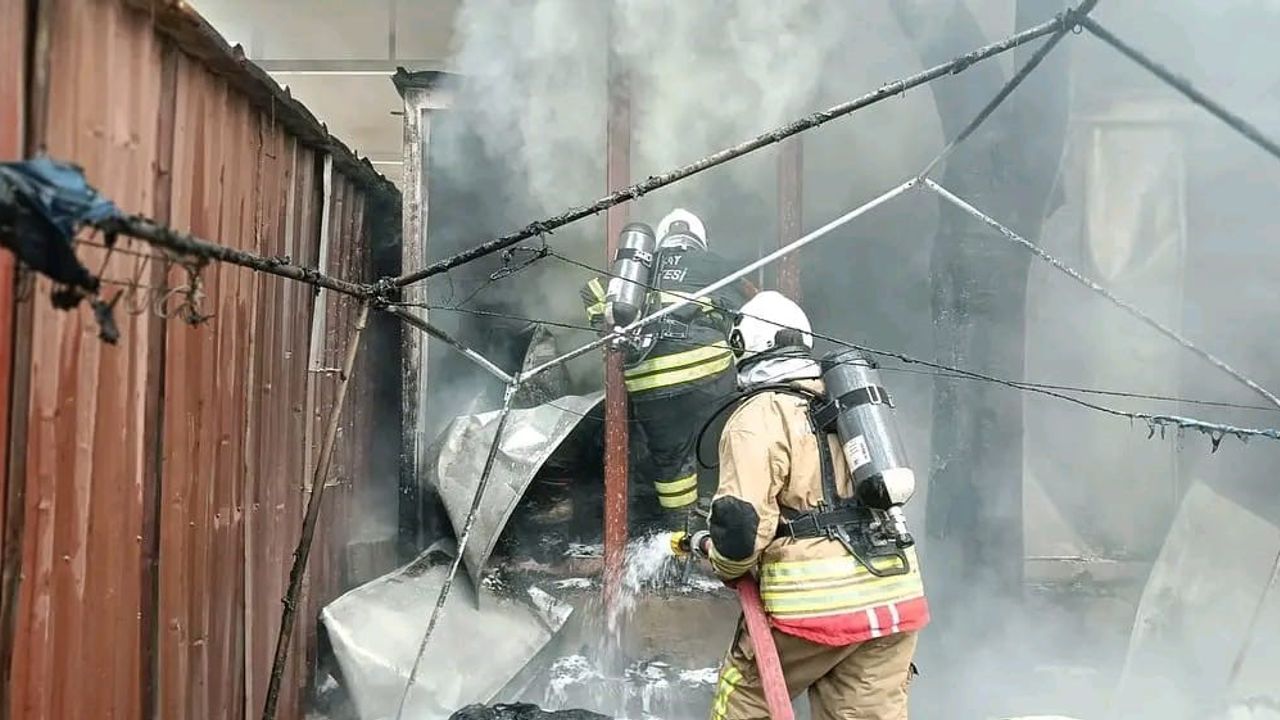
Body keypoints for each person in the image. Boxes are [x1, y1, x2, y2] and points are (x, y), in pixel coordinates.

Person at [689, 291, 929, 720]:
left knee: (743, 701)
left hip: (816, 605)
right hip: (895, 595)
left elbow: (741, 528)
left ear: (743, 345)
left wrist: (718, 557)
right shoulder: (845, 402)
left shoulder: (758, 415)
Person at [580, 208, 753, 531]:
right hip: (708, 374)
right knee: (730, 441)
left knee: (671, 462)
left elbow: (591, 291)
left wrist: (602, 325)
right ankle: (729, 525)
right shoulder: (713, 263)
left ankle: (680, 535)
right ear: (698, 240)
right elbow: (755, 306)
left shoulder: (635, 272)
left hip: (650, 384)